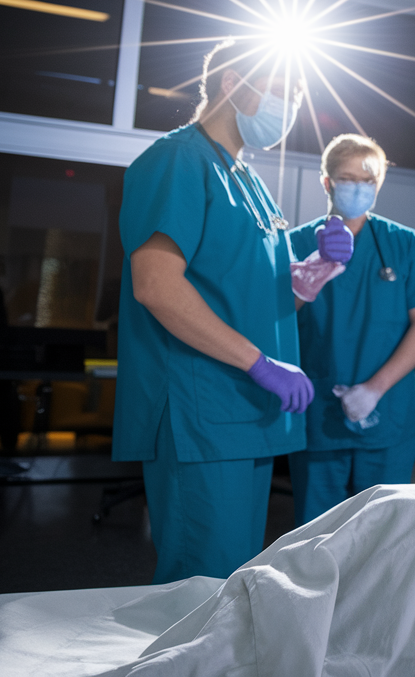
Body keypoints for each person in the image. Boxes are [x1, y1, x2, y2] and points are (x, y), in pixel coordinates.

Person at [114, 37, 353, 583]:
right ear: (232, 84)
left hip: (247, 413)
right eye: (281, 90)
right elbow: (156, 286)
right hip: (201, 410)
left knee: (231, 581)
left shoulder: (249, 182)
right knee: (199, 581)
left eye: (297, 96)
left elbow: (266, 297)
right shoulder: (177, 160)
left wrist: (317, 268)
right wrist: (258, 363)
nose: (288, 108)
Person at [287, 134, 415, 525]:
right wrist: (314, 268)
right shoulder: (296, 243)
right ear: (326, 183)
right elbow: (276, 317)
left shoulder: (404, 244)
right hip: (318, 414)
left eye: (367, 180)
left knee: (383, 536)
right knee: (314, 536)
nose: (358, 187)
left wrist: (374, 389)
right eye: (347, 178)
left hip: (389, 414)